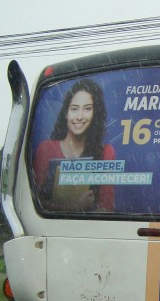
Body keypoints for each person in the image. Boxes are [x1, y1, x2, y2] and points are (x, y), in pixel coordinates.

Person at [33, 79, 115, 211]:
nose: (80, 116)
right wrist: (74, 208)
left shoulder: (106, 152)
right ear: (66, 113)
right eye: (74, 109)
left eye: (87, 109)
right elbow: (34, 202)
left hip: (90, 230)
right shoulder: (46, 149)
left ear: (95, 114)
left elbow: (107, 207)